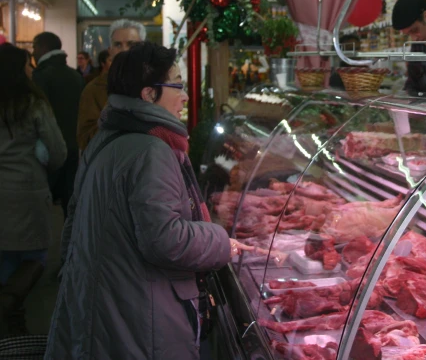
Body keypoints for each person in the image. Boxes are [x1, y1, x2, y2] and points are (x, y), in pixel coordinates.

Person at [47, 42, 255, 359]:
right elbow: (164, 238)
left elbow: (72, 224)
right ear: (148, 94)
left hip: (102, 308)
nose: (185, 96)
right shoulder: (150, 150)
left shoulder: (106, 139)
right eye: (178, 86)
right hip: (140, 317)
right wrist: (219, 241)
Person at [0, 44, 67, 337]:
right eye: (28, 64)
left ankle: (10, 312)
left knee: (4, 258)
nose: (31, 68)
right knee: (35, 256)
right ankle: (11, 309)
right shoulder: (33, 103)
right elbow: (58, 151)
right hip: (27, 190)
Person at [32, 32, 84, 216]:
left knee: (40, 205)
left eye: (34, 47)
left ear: (43, 47)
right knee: (71, 205)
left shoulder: (41, 77)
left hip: (49, 149)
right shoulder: (75, 76)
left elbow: (37, 115)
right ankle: (73, 242)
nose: (33, 52)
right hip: (73, 145)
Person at [76, 19, 145, 152]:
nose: (124, 50)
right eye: (118, 44)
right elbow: (85, 139)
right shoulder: (94, 89)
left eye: (131, 44)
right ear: (110, 51)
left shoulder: (156, 84)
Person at [76, 49, 113, 151]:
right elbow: (85, 136)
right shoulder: (93, 87)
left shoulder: (147, 87)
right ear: (103, 63)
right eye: (111, 60)